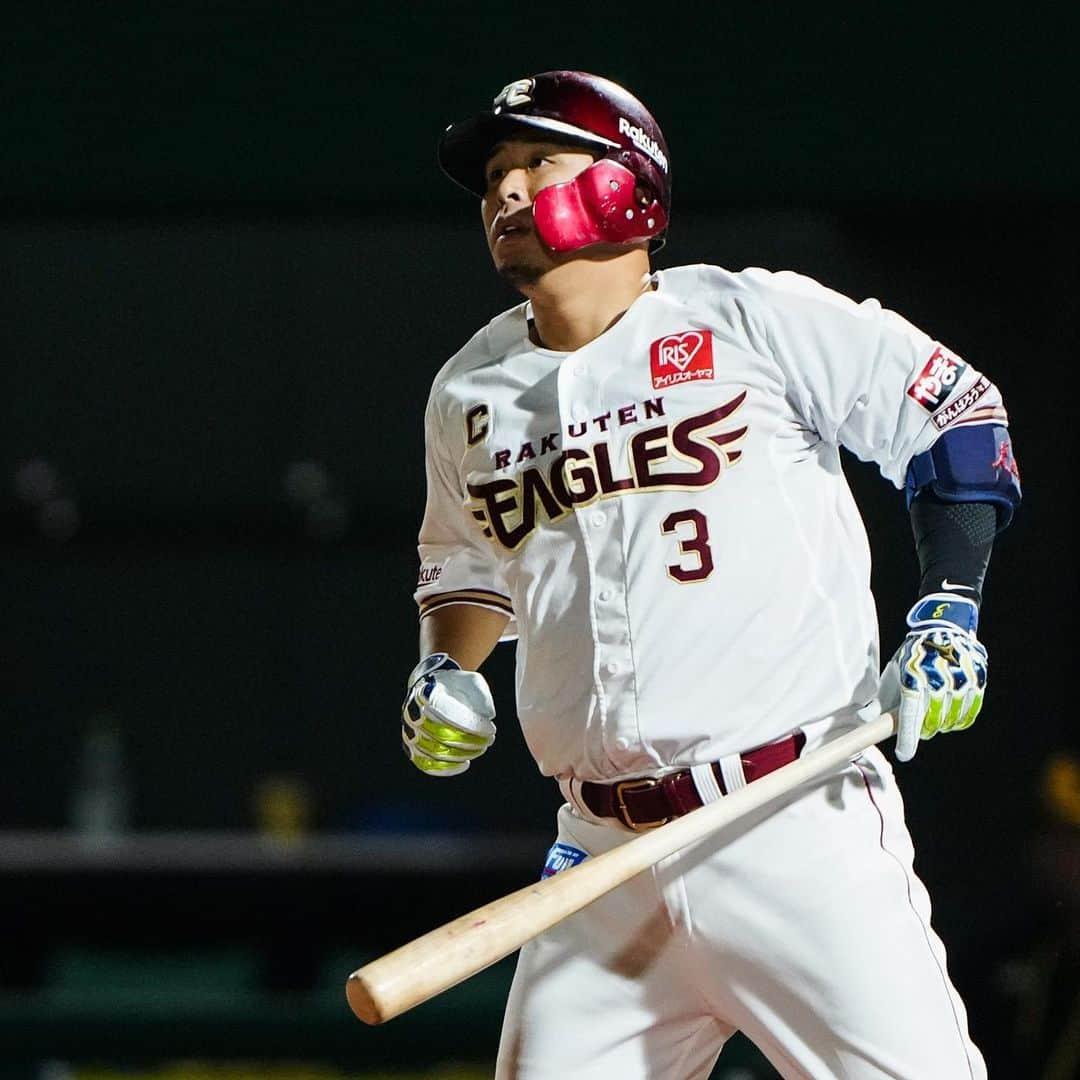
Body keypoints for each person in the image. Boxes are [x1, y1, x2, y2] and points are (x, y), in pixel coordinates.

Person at [401, 70, 1021, 1079]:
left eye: (537, 162)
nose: (504, 192)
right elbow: (464, 570)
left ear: (625, 181)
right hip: (598, 857)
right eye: (493, 177)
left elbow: (959, 417)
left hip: (788, 817)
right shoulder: (466, 391)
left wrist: (949, 610)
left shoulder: (749, 317)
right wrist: (446, 669)